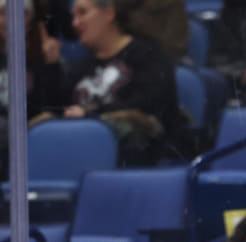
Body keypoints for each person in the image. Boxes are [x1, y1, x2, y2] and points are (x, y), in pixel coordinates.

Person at [35, 0, 190, 166]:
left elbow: (146, 106)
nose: (75, 23)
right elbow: (54, 110)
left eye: (82, 13)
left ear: (109, 13)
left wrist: (90, 115)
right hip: (81, 155)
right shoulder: (81, 67)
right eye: (73, 16)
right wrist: (51, 66)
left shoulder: (148, 55)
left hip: (139, 161)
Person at [0, 0, 62, 180]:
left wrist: (52, 66)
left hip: (30, 134)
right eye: (3, 14)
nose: (8, 20)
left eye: (18, 14)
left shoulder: (40, 59)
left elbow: (53, 106)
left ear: (29, 18)